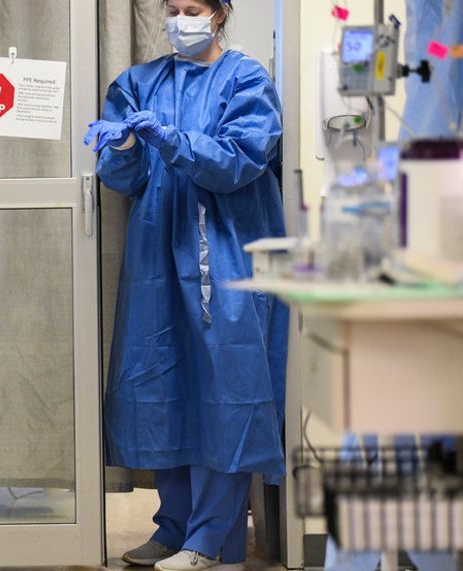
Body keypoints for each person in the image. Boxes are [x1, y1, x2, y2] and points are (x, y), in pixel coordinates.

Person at [85, 0, 289, 569]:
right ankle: (173, 529)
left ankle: (211, 540)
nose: (180, 19)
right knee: (159, 391)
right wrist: (122, 148)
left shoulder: (246, 79)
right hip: (157, 255)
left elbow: (240, 159)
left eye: (192, 8)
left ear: (220, 13)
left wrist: (173, 140)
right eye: (171, 8)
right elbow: (126, 176)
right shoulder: (137, 82)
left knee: (225, 392)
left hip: (226, 256)